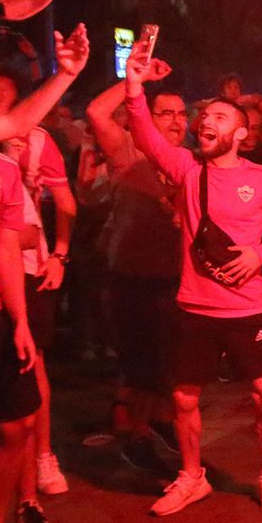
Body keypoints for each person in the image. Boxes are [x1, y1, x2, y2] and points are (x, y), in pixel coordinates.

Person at [124, 43, 262, 517]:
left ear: (240, 132)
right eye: (206, 117)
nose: (206, 123)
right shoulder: (186, 169)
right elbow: (143, 134)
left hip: (247, 309)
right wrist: (135, 82)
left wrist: (258, 253)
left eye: (219, 116)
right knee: (183, 397)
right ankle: (192, 475)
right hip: (194, 306)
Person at [0, 26, 90, 523]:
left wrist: (20, 320)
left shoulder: (5, 169)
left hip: (0, 312)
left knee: (17, 425)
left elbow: (7, 245)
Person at [85, 73, 186, 474]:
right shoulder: (130, 152)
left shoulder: (188, 160)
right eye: (166, 113)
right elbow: (95, 111)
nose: (176, 121)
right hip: (134, 281)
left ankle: (158, 427)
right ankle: (139, 439)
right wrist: (135, 79)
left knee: (171, 368)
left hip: (176, 282)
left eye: (182, 114)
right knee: (144, 371)